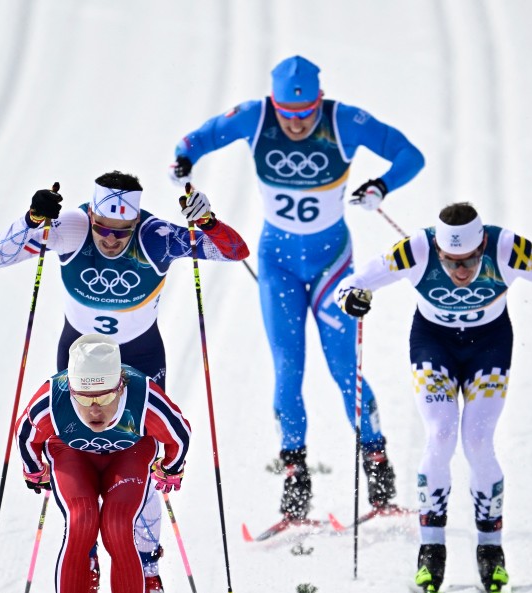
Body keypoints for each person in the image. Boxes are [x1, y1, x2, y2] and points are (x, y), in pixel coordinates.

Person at [0, 172, 247, 593]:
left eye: (119, 231)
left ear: (135, 222)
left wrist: (206, 220)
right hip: (79, 358)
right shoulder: (69, 227)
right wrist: (32, 220)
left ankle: (147, 571)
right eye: (103, 227)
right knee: (76, 452)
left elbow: (234, 251)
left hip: (141, 357)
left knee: (143, 461)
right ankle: (82, 564)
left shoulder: (156, 237)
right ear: (92, 214)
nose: (109, 238)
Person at [171, 55, 425, 522]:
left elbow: (412, 155)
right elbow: (196, 140)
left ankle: (381, 482)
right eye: (288, 115)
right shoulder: (255, 116)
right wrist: (183, 159)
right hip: (278, 265)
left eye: (305, 113)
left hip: (332, 265)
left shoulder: (344, 120)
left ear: (319, 102)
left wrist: (382, 186)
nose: (296, 123)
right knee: (288, 369)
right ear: (274, 105)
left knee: (345, 368)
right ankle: (295, 491)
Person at [333, 202, 532, 593]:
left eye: (470, 259)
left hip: (489, 344)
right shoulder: (416, 248)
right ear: (437, 248)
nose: (461, 270)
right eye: (450, 262)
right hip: (434, 343)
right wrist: (354, 298)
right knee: (440, 433)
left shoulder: (507, 247)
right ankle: (431, 549)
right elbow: (355, 283)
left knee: (477, 439)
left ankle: (491, 549)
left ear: (482, 244)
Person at [17, 334, 192, 593]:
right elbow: (26, 433)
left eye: (106, 399)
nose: (95, 410)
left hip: (127, 457)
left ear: (120, 384)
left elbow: (179, 432)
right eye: (84, 400)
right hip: (72, 455)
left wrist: (171, 468)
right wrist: (34, 471)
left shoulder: (143, 397)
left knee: (116, 528)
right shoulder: (53, 397)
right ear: (72, 389)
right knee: (81, 523)